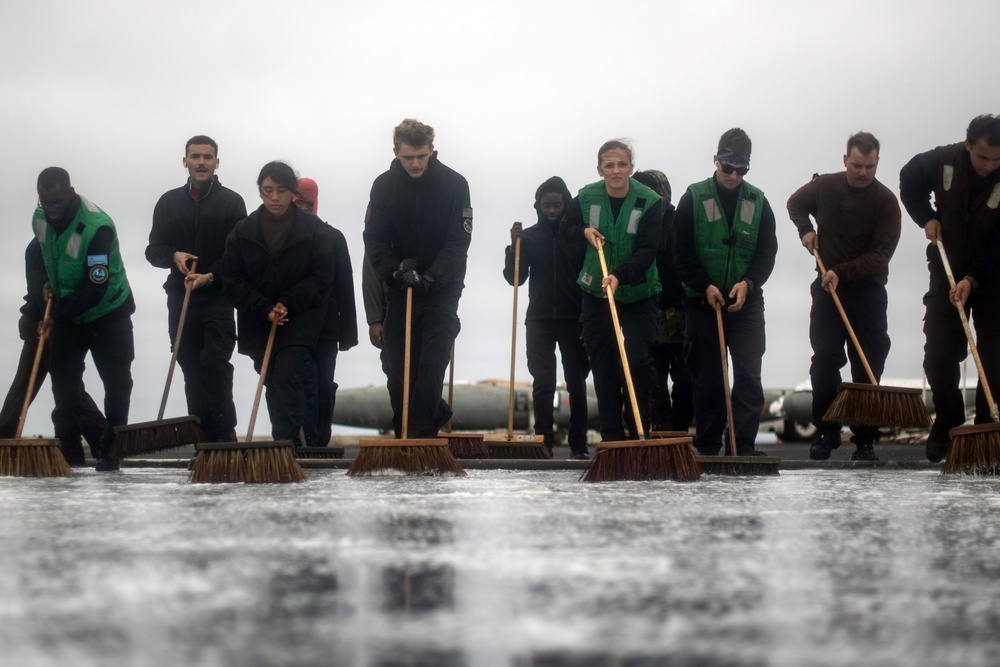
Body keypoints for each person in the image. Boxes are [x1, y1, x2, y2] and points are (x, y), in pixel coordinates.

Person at [787, 132, 901, 461]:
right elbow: (795, 203)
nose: (862, 172)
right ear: (844, 160)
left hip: (868, 290)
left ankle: (864, 439)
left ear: (877, 163)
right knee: (825, 359)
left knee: (868, 363)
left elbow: (881, 254)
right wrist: (805, 229)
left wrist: (844, 271)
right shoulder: (825, 186)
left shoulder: (886, 202)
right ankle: (827, 430)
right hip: (826, 288)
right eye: (856, 165)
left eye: (869, 166)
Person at [899, 114, 1000, 462]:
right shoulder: (943, 160)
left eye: (997, 160)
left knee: (996, 359)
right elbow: (909, 178)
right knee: (940, 354)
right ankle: (948, 420)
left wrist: (974, 279)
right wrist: (925, 216)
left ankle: (988, 430)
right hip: (946, 267)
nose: (989, 166)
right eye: (983, 157)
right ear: (968, 145)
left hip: (994, 276)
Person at [363, 119, 472, 437]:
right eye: (408, 157)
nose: (414, 164)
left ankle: (420, 440)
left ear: (432, 151)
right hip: (399, 286)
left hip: (441, 288)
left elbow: (458, 242)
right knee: (396, 368)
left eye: (421, 157)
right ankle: (422, 422)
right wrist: (397, 270)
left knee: (430, 368)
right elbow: (375, 239)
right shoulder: (383, 186)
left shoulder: (455, 184)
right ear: (395, 151)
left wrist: (431, 277)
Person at [673, 128, 777, 456]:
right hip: (703, 302)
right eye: (728, 167)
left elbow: (767, 252)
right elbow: (681, 251)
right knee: (709, 380)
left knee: (748, 372)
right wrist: (705, 285)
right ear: (716, 160)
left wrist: (749, 283)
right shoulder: (693, 197)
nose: (734, 175)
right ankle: (707, 447)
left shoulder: (758, 201)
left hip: (745, 302)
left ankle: (742, 446)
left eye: (742, 169)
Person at [221, 162, 335, 443]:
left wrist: (287, 302)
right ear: (259, 191)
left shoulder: (314, 229)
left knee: (288, 376)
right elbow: (232, 278)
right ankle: (286, 442)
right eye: (267, 190)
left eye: (281, 191)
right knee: (271, 379)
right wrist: (263, 306)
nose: (274, 197)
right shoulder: (242, 231)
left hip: (299, 320)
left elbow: (322, 275)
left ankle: (285, 444)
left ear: (292, 193)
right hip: (258, 321)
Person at [146, 135, 247, 443]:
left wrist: (210, 275)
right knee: (189, 364)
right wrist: (172, 255)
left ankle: (224, 437)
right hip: (180, 297)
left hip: (217, 296)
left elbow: (239, 254)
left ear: (217, 162)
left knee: (215, 362)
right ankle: (202, 441)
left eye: (207, 156)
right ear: (185, 161)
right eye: (195, 156)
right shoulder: (167, 202)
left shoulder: (232, 202)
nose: (201, 162)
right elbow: (153, 250)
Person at [32, 167, 135, 471]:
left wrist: (58, 315)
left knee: (117, 383)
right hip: (68, 311)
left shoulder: (96, 227)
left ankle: (111, 450)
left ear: (71, 193)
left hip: (108, 311)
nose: (50, 210)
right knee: (64, 382)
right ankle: (69, 451)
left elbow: (96, 286)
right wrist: (45, 284)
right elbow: (41, 253)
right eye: (45, 203)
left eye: (57, 203)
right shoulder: (39, 219)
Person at [560, 140, 662, 442]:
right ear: (600, 169)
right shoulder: (585, 196)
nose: (616, 171)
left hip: (638, 294)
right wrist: (583, 231)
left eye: (621, 164)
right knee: (602, 365)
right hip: (596, 292)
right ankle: (612, 439)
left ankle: (640, 429)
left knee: (636, 359)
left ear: (631, 167)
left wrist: (620, 275)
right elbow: (565, 228)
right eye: (609, 165)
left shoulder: (651, 201)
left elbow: (647, 250)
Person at [504, 176, 590, 459]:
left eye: (557, 205)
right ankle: (544, 442)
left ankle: (578, 444)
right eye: (546, 205)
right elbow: (515, 280)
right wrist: (512, 249)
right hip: (539, 319)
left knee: (576, 381)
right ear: (537, 206)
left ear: (566, 205)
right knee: (543, 381)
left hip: (572, 317)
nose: (551, 210)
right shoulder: (528, 238)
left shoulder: (577, 236)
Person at [0, 238, 105, 461]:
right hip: (43, 324)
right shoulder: (40, 246)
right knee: (68, 384)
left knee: (25, 383)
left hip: (44, 322)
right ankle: (101, 438)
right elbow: (42, 294)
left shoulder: (65, 242)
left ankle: (3, 433)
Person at [293, 177, 358, 446]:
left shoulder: (333, 237)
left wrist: (349, 334)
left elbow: (345, 285)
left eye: (309, 204)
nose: (304, 209)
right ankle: (295, 440)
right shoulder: (279, 237)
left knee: (322, 386)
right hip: (292, 326)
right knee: (294, 384)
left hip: (327, 330)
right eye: (299, 203)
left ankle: (318, 441)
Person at [633, 169, 693, 434]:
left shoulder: (682, 221)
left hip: (683, 310)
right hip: (647, 311)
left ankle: (679, 433)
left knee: (686, 379)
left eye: (656, 194)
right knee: (652, 380)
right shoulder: (633, 224)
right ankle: (662, 433)